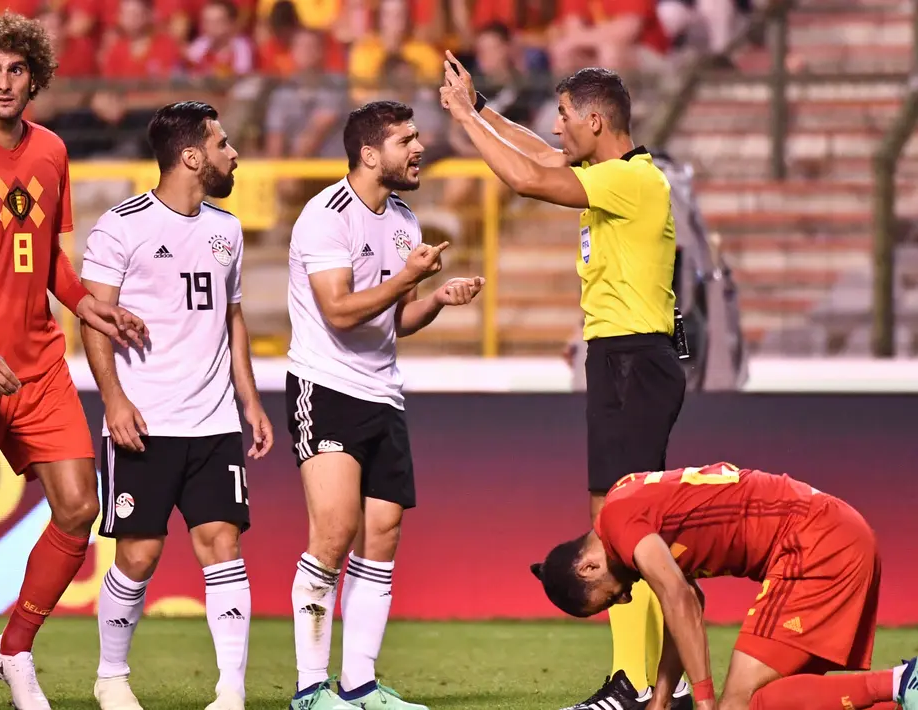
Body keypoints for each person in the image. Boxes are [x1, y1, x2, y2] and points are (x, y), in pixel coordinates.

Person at [0, 13, 146, 710]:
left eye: (17, 70)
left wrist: (87, 306)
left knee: (79, 507)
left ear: (34, 77)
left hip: (38, 364)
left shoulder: (51, 152)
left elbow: (48, 263)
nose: (5, 82)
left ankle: (12, 649)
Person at [440, 57, 687, 710]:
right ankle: (649, 679)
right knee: (615, 524)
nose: (556, 128)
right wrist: (483, 107)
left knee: (621, 526)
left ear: (596, 121)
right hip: (621, 361)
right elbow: (538, 156)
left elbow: (525, 177)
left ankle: (637, 684)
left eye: (565, 117)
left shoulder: (632, 181)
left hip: (633, 361)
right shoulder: (615, 177)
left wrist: (464, 119)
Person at [284, 100, 485, 710]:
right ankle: (310, 690)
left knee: (383, 534)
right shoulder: (325, 216)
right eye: (406, 139)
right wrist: (407, 279)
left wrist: (438, 298)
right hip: (327, 386)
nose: (419, 147)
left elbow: (394, 319)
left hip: (383, 390)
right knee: (334, 533)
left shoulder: (403, 220)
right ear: (370, 154)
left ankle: (361, 686)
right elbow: (341, 311)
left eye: (417, 136)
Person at [80, 101, 271, 710]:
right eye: (221, 144)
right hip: (146, 420)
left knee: (223, 543)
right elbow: (91, 319)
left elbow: (232, 318)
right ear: (192, 157)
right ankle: (111, 675)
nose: (232, 153)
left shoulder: (227, 229)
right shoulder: (121, 226)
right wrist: (113, 400)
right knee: (139, 554)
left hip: (213, 421)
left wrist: (250, 400)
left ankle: (231, 691)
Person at [532, 463, 918, 710]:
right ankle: (903, 694)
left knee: (739, 705)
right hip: (835, 533)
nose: (627, 596)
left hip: (812, 542)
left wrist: (703, 701)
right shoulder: (628, 502)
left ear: (588, 566)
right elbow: (685, 602)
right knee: (777, 703)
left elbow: (680, 598)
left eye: (613, 596)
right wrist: (661, 700)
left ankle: (902, 681)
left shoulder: (618, 521)